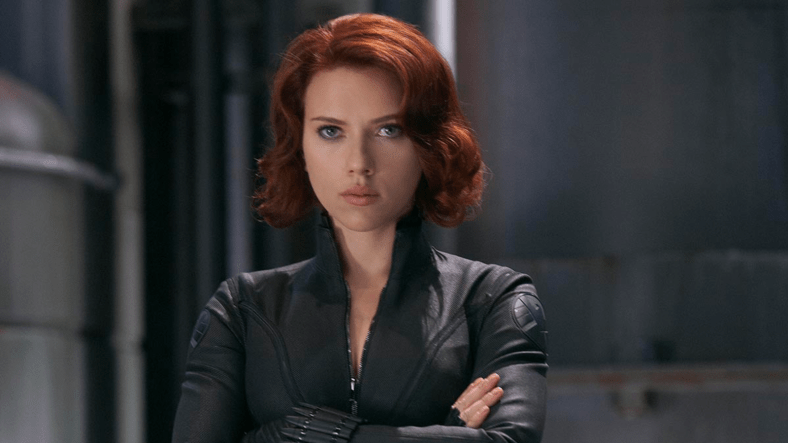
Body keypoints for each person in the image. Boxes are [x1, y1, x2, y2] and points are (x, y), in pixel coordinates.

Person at [172, 13, 547, 443]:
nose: (359, 163)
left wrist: (302, 434)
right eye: (331, 131)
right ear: (300, 145)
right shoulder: (243, 309)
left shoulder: (491, 299)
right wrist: (443, 435)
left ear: (430, 143)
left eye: (389, 129)